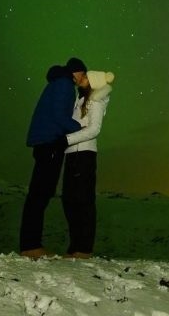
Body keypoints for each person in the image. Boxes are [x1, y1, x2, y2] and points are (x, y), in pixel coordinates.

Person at [19, 57, 88, 259]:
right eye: (83, 73)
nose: (83, 78)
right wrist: (80, 129)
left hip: (44, 142)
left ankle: (30, 244)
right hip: (49, 143)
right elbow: (59, 116)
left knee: (38, 194)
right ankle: (30, 245)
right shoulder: (65, 85)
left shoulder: (58, 83)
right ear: (75, 72)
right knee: (40, 194)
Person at [61, 69, 114, 258]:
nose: (81, 79)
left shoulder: (96, 101)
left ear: (92, 81)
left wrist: (66, 140)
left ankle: (83, 249)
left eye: (85, 77)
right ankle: (75, 246)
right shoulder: (80, 100)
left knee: (83, 202)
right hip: (72, 154)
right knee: (69, 201)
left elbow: (94, 130)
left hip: (84, 155)